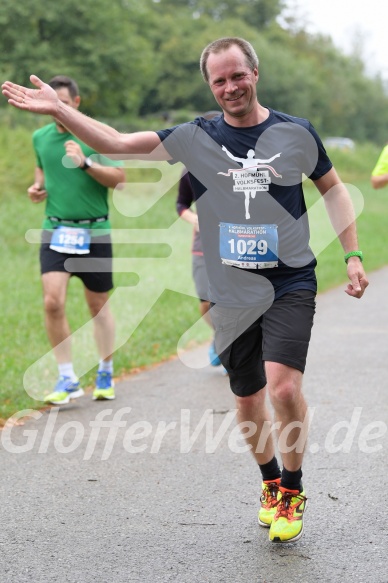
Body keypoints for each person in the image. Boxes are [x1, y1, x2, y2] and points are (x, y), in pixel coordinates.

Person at [2, 37, 368, 543]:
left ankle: (292, 486)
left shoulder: (295, 133)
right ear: (210, 85)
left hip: (289, 280)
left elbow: (334, 189)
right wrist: (61, 111)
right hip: (231, 288)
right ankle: (267, 482)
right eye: (219, 80)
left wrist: (351, 255)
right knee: (246, 401)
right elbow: (115, 142)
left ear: (254, 73)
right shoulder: (196, 137)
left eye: (237, 75)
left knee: (283, 387)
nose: (229, 87)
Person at [26, 75, 125, 405]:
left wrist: (86, 163)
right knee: (52, 302)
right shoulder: (40, 138)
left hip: (94, 232)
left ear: (76, 104)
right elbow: (42, 175)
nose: (58, 111)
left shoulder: (95, 137)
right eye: (52, 105)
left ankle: (106, 370)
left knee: (98, 307)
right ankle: (67, 377)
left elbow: (119, 179)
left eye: (64, 105)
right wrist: (36, 189)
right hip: (55, 230)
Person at [176, 111, 223, 367]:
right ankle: (221, 335)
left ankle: (235, 346)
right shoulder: (190, 170)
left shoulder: (240, 165)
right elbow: (181, 204)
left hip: (235, 243)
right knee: (206, 303)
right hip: (202, 244)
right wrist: (192, 218)